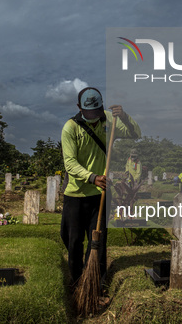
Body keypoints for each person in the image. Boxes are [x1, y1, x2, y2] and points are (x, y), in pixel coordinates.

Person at [60, 87, 141, 287]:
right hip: (76, 195)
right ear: (79, 108)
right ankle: (77, 284)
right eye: (89, 115)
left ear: (102, 106)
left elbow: (135, 134)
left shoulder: (109, 120)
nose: (94, 119)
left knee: (99, 244)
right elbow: (69, 164)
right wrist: (92, 177)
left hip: (100, 195)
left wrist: (124, 117)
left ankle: (96, 283)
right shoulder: (70, 128)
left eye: (97, 113)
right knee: (73, 241)